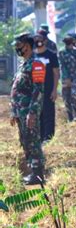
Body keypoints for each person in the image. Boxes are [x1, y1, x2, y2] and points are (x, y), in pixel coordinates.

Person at [10, 33, 46, 185]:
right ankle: (32, 171)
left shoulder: (36, 64)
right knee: (25, 141)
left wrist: (32, 113)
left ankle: (38, 174)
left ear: (28, 46)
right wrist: (14, 112)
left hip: (29, 111)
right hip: (20, 112)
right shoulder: (22, 65)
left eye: (19, 45)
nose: (17, 48)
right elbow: (16, 89)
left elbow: (38, 91)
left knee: (33, 141)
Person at [34, 33, 59, 142]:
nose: (38, 41)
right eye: (36, 39)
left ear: (44, 41)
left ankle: (48, 138)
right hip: (35, 91)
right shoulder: (32, 56)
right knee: (37, 114)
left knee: (48, 114)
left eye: (40, 39)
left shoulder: (51, 55)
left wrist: (54, 90)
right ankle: (39, 137)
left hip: (48, 90)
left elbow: (56, 73)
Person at [58, 36, 76, 121]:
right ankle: (70, 117)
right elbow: (62, 66)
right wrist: (66, 78)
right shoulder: (62, 52)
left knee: (75, 95)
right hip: (66, 78)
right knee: (66, 97)